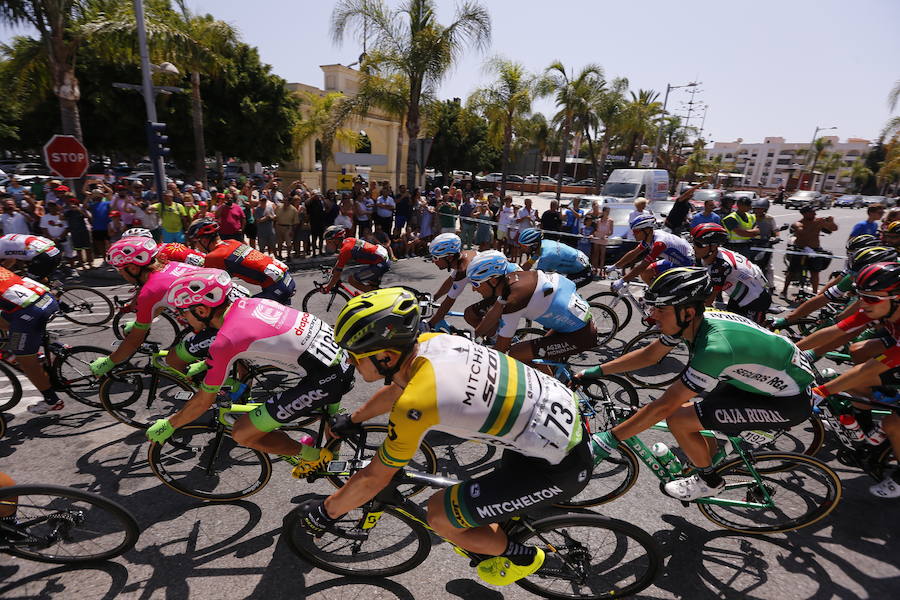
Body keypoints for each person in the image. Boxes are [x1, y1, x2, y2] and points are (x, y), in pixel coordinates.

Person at [298, 287, 593, 586]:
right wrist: (354, 418)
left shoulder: (416, 405)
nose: (350, 361)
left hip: (558, 466)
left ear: (385, 356)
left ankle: (524, 556)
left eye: (354, 355)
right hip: (556, 424)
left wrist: (327, 512)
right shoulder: (432, 342)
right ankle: (497, 533)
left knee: (438, 513)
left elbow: (375, 478)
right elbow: (400, 386)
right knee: (475, 506)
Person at [578, 267, 815, 500]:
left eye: (660, 309)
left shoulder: (714, 348)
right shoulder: (693, 321)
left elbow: (664, 406)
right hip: (765, 383)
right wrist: (595, 371)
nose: (652, 316)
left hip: (787, 401)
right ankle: (708, 460)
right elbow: (651, 355)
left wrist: (609, 439)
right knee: (697, 412)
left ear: (688, 312)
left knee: (679, 418)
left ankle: (709, 481)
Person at [145, 268, 354, 475]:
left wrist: (170, 424)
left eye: (183, 313)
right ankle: (334, 449)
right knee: (311, 412)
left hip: (327, 377)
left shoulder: (225, 340)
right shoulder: (251, 303)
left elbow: (203, 401)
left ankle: (313, 456)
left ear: (201, 311)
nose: (183, 319)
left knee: (242, 433)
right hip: (340, 357)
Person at [801, 262, 900, 497]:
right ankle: (867, 432)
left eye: (872, 298)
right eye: (860, 296)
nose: (863, 303)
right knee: (857, 380)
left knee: (893, 423)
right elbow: (838, 330)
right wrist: (791, 350)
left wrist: (821, 392)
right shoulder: (883, 308)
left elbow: (870, 368)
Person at [89, 238, 203, 381]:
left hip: (225, 325)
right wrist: (140, 321)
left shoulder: (149, 291)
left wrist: (110, 361)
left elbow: (134, 340)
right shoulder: (171, 265)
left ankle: (219, 396)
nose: (121, 275)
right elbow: (160, 301)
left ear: (133, 268)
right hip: (234, 307)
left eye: (120, 270)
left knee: (172, 360)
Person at [466, 251, 598, 366]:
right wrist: (473, 336)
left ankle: (555, 391)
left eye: (476, 283)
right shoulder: (513, 279)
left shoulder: (515, 300)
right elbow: (493, 313)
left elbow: (501, 348)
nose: (473, 289)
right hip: (574, 324)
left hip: (580, 334)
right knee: (529, 355)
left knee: (515, 353)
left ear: (493, 281)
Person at [186, 219, 295, 305]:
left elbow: (206, 284)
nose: (196, 247)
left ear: (204, 241)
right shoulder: (231, 242)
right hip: (284, 278)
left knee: (241, 311)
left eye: (196, 242)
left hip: (276, 287)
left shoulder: (213, 256)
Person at [0, 267, 62, 414]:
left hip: (30, 312)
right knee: (6, 321)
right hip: (46, 298)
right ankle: (52, 346)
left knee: (25, 362)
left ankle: (52, 401)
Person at [690, 223, 771, 323]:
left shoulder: (721, 266)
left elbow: (709, 301)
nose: (694, 247)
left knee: (746, 336)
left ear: (714, 246)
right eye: (693, 242)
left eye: (699, 244)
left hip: (756, 300)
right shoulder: (707, 256)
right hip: (738, 297)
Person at [609, 214, 695, 289]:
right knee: (646, 273)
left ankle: (661, 300)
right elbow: (634, 253)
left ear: (647, 230)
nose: (633, 234)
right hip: (674, 261)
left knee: (666, 287)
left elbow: (643, 265)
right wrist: (614, 266)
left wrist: (622, 280)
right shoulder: (650, 237)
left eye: (636, 231)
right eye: (633, 231)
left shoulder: (659, 243)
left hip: (687, 264)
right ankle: (655, 294)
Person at [781, 206, 838, 298]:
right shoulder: (798, 223)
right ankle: (784, 291)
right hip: (800, 250)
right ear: (804, 214)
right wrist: (816, 224)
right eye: (812, 212)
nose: (815, 214)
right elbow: (802, 232)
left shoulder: (818, 222)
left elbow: (834, 229)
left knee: (815, 272)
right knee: (791, 272)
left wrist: (831, 222)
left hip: (815, 250)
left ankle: (815, 294)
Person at [321, 225, 391, 293]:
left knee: (352, 280)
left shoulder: (345, 250)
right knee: (371, 286)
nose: (327, 244)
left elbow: (337, 275)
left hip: (380, 263)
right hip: (381, 259)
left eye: (329, 242)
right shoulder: (348, 240)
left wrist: (328, 288)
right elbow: (339, 262)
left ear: (336, 240)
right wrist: (334, 270)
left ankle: (366, 298)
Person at [517, 228, 593, 289]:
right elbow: (529, 264)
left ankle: (581, 307)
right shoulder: (541, 246)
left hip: (583, 272)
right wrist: (515, 272)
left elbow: (537, 279)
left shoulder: (547, 255)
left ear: (534, 245)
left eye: (523, 246)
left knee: (559, 292)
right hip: (576, 265)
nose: (520, 249)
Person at [749, 198, 779, 286]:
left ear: (765, 209)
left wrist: (776, 237)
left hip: (765, 245)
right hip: (750, 244)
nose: (758, 210)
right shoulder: (749, 217)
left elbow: (776, 230)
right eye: (756, 208)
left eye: (760, 209)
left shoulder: (769, 219)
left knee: (769, 266)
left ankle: (771, 285)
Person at [274, 195, 299, 260]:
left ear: (290, 202)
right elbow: (274, 217)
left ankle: (288, 255)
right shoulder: (279, 207)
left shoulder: (293, 210)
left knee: (289, 244)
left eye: (287, 201)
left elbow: (296, 222)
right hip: (278, 226)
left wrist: (292, 231)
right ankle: (279, 255)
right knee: (279, 243)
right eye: (284, 201)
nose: (285, 202)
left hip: (288, 228)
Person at [592, 205, 613, 276]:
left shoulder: (610, 221)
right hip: (597, 238)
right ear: (603, 212)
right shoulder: (598, 220)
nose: (607, 213)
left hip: (604, 239)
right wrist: (595, 234)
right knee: (596, 254)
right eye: (606, 211)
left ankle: (601, 270)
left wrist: (606, 235)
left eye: (608, 212)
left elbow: (611, 232)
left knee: (602, 255)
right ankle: (595, 269)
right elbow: (595, 230)